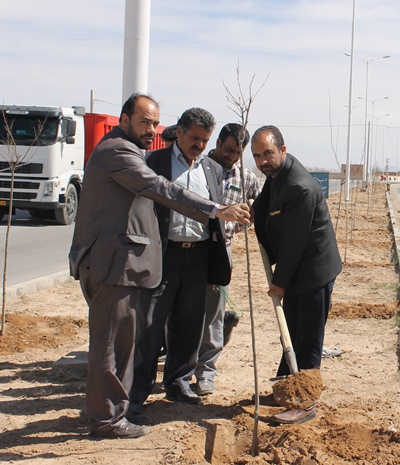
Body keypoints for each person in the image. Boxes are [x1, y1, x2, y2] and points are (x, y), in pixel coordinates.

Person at [69, 94, 250, 439]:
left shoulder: (130, 151)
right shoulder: (121, 152)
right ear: (124, 120)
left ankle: (121, 410)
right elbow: (158, 188)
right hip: (115, 264)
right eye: (144, 122)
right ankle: (109, 418)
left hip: (141, 262)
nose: (152, 130)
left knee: (129, 340)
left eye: (154, 123)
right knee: (116, 345)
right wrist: (215, 209)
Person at [130, 107, 230, 410]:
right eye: (195, 138)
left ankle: (179, 382)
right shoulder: (154, 162)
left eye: (205, 140)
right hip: (163, 254)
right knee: (150, 324)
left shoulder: (212, 168)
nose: (199, 144)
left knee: (189, 323)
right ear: (180, 132)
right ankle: (137, 391)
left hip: (198, 255)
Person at [251, 125, 342, 425]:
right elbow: (264, 204)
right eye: (257, 156)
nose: (263, 161)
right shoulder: (277, 176)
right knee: (290, 331)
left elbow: (294, 243)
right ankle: (284, 390)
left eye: (267, 153)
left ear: (282, 150)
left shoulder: (299, 186)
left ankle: (304, 401)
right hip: (297, 269)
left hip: (314, 271)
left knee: (309, 337)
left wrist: (279, 283)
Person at [194, 123, 261, 396]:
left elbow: (258, 207)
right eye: (229, 149)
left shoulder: (247, 179)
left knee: (214, 314)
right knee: (184, 311)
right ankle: (180, 369)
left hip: (222, 251)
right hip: (193, 248)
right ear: (218, 142)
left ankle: (205, 373)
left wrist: (247, 219)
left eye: (237, 153)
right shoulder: (198, 169)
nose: (232, 156)